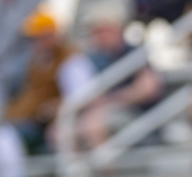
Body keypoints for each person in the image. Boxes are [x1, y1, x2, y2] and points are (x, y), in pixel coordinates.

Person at [61, 11, 163, 150]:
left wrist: (111, 100)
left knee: (95, 125)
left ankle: (106, 172)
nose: (100, 37)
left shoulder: (132, 52)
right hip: (108, 112)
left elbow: (148, 88)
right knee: (63, 130)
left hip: (138, 113)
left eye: (104, 31)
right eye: (96, 32)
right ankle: (77, 171)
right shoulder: (96, 59)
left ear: (117, 30)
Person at [2, 11, 80, 153]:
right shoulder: (35, 61)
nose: (34, 44)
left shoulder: (71, 61)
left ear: (51, 36)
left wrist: (55, 107)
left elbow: (81, 96)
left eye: (36, 38)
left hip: (47, 125)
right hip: (25, 119)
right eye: (32, 40)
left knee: (7, 139)